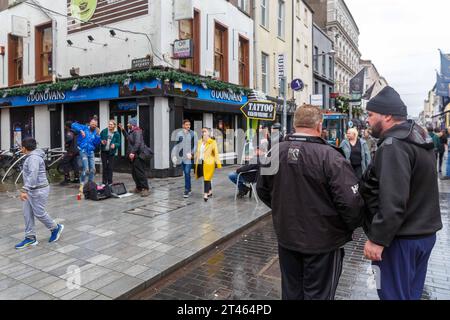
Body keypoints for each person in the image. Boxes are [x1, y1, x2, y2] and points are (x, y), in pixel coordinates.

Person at [257, 105, 364, 300]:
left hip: (288, 238)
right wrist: (344, 227)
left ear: (295, 124)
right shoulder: (330, 156)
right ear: (319, 125)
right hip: (322, 242)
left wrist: (284, 211)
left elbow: (263, 190)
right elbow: (351, 203)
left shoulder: (274, 152)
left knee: (291, 292)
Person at [360, 86, 442, 300]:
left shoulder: (393, 145)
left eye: (370, 115)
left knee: (392, 295)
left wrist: (377, 239)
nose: (367, 120)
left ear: (387, 116)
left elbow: (394, 200)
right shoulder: (418, 138)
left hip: (400, 241)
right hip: (422, 235)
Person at [15, 138, 64, 249]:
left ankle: (55, 228)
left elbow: (33, 175)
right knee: (27, 213)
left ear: (24, 147)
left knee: (39, 213)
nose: (20, 148)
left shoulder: (34, 158)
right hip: (32, 189)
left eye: (21, 146)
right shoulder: (31, 156)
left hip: (38, 190)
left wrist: (24, 190)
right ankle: (30, 238)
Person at [71, 118, 101, 191]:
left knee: (93, 169)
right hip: (83, 151)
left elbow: (96, 144)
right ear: (90, 123)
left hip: (91, 152)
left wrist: (98, 135)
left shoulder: (95, 132)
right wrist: (80, 130)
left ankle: (90, 184)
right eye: (92, 124)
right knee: (86, 169)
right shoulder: (84, 128)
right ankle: (82, 184)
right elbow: (73, 125)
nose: (93, 125)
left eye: (95, 125)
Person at [194, 128, 222, 202]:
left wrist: (218, 164)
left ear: (208, 133)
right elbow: (197, 152)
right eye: (202, 131)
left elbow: (216, 153)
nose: (203, 133)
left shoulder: (212, 142)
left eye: (205, 131)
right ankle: (210, 191)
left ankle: (205, 194)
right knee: (206, 177)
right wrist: (192, 156)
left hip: (209, 163)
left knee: (207, 178)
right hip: (200, 162)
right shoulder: (199, 142)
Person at [127, 118, 150, 197]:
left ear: (132, 124)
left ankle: (145, 188)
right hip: (134, 156)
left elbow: (137, 143)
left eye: (128, 123)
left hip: (138, 155)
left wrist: (132, 152)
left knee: (140, 172)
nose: (127, 124)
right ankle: (138, 187)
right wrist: (123, 130)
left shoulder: (137, 131)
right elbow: (129, 139)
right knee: (134, 173)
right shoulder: (132, 132)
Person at [175, 119, 198, 198]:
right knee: (185, 173)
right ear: (183, 125)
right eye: (187, 125)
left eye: (189, 125)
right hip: (181, 157)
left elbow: (196, 145)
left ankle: (187, 190)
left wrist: (191, 153)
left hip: (188, 157)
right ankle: (189, 188)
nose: (188, 126)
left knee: (187, 172)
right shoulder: (179, 134)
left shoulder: (193, 133)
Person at [100, 120, 121, 185]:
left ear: (114, 126)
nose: (110, 125)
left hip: (111, 152)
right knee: (105, 167)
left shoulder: (116, 133)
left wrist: (115, 145)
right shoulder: (104, 131)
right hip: (104, 151)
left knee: (110, 167)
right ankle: (104, 182)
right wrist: (101, 141)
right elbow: (99, 138)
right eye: (109, 124)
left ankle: (110, 182)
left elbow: (118, 143)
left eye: (111, 124)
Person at [59, 121, 80, 186]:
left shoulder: (69, 132)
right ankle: (77, 178)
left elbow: (69, 139)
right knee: (74, 163)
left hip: (71, 150)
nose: (64, 127)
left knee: (64, 162)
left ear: (67, 126)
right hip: (75, 150)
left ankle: (67, 179)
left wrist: (66, 144)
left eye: (65, 125)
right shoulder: (74, 132)